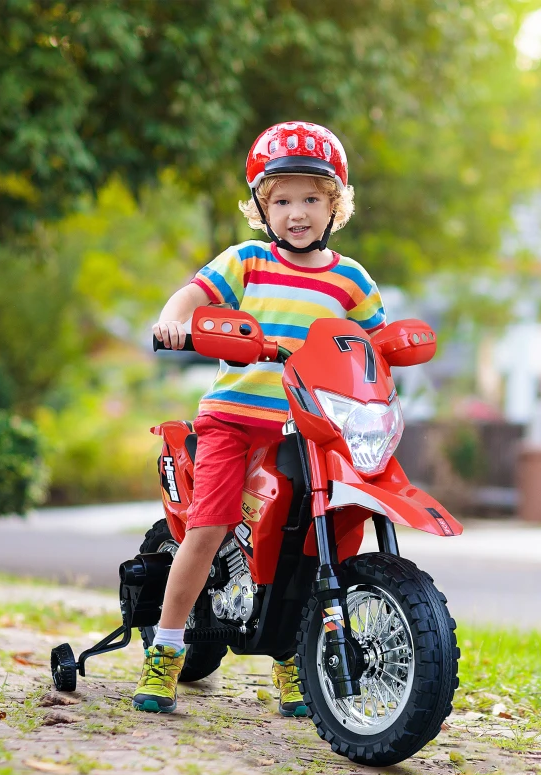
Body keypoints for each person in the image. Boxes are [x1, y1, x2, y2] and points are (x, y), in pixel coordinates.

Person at [133, 121, 386, 716]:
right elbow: (193, 294)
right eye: (282, 200)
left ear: (335, 205)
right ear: (262, 207)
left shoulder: (351, 279)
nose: (297, 213)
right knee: (210, 527)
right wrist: (175, 319)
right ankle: (167, 650)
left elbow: (375, 345)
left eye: (311, 199)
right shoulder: (247, 261)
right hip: (235, 420)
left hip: (311, 426)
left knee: (310, 539)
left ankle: (294, 657)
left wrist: (397, 352)